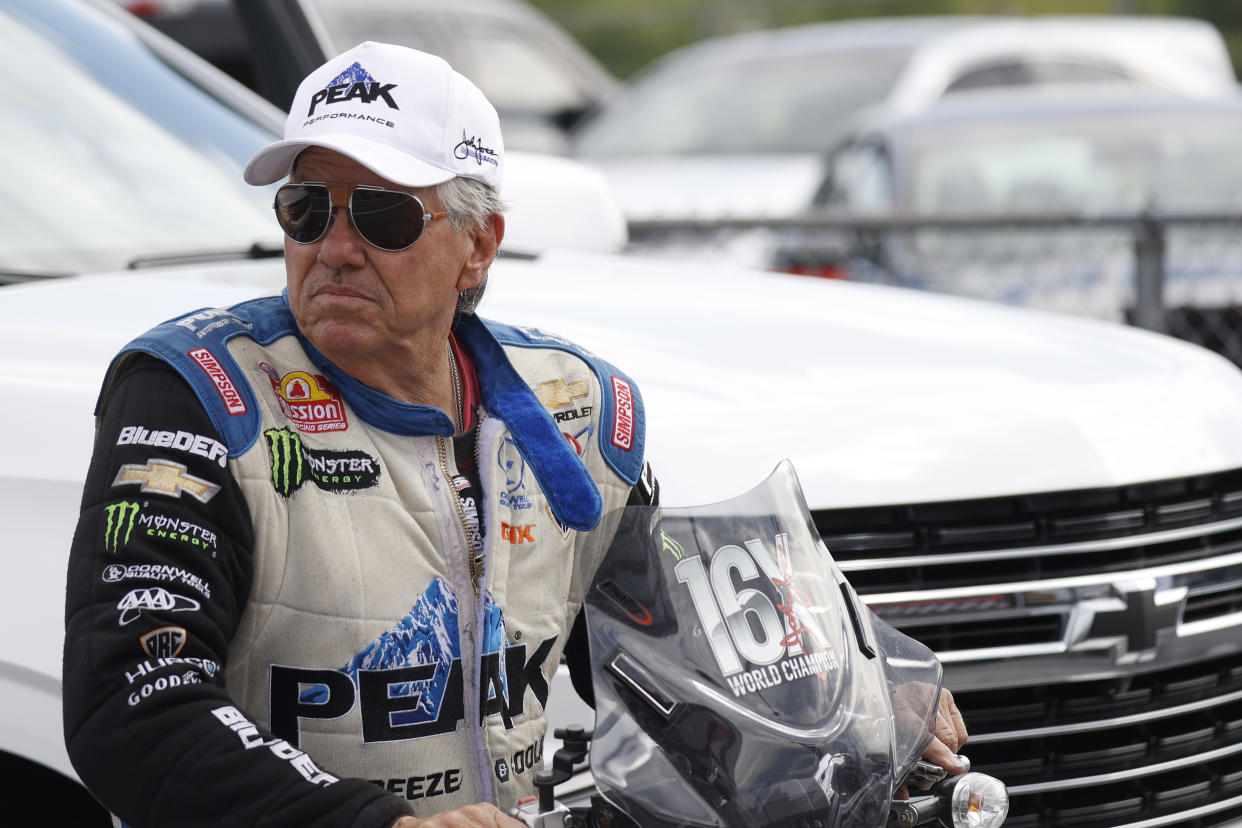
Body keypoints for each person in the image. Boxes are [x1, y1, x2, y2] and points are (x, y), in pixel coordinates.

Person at [62, 42, 965, 828]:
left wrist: (864, 695)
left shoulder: (574, 409)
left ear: (478, 245)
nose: (333, 246)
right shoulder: (195, 391)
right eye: (306, 208)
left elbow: (673, 645)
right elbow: (135, 705)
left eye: (379, 214)